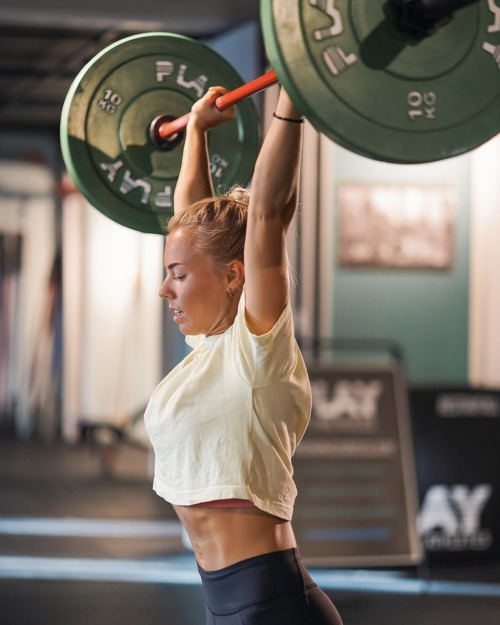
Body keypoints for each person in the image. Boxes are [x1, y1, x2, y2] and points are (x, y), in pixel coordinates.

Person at [144, 86, 343, 625]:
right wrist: (195, 133)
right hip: (228, 603)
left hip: (272, 606)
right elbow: (195, 221)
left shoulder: (255, 349)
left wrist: (293, 99)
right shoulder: (211, 347)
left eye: (177, 277)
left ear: (235, 277)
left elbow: (268, 218)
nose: (165, 290)